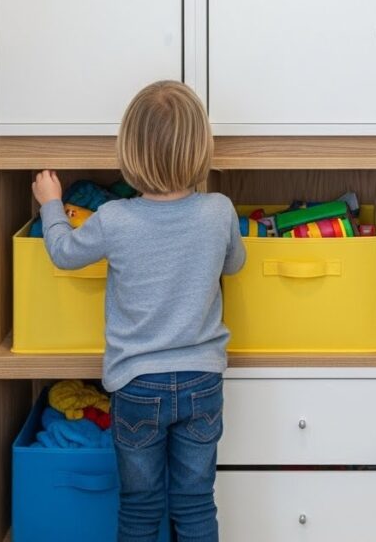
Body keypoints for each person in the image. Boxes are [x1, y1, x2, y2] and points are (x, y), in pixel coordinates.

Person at [33, 81, 246, 542]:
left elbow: (64, 253)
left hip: (136, 383)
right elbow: (236, 263)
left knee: (140, 506)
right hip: (201, 381)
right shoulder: (219, 210)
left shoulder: (114, 218)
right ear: (200, 149)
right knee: (194, 503)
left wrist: (51, 204)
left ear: (128, 153)